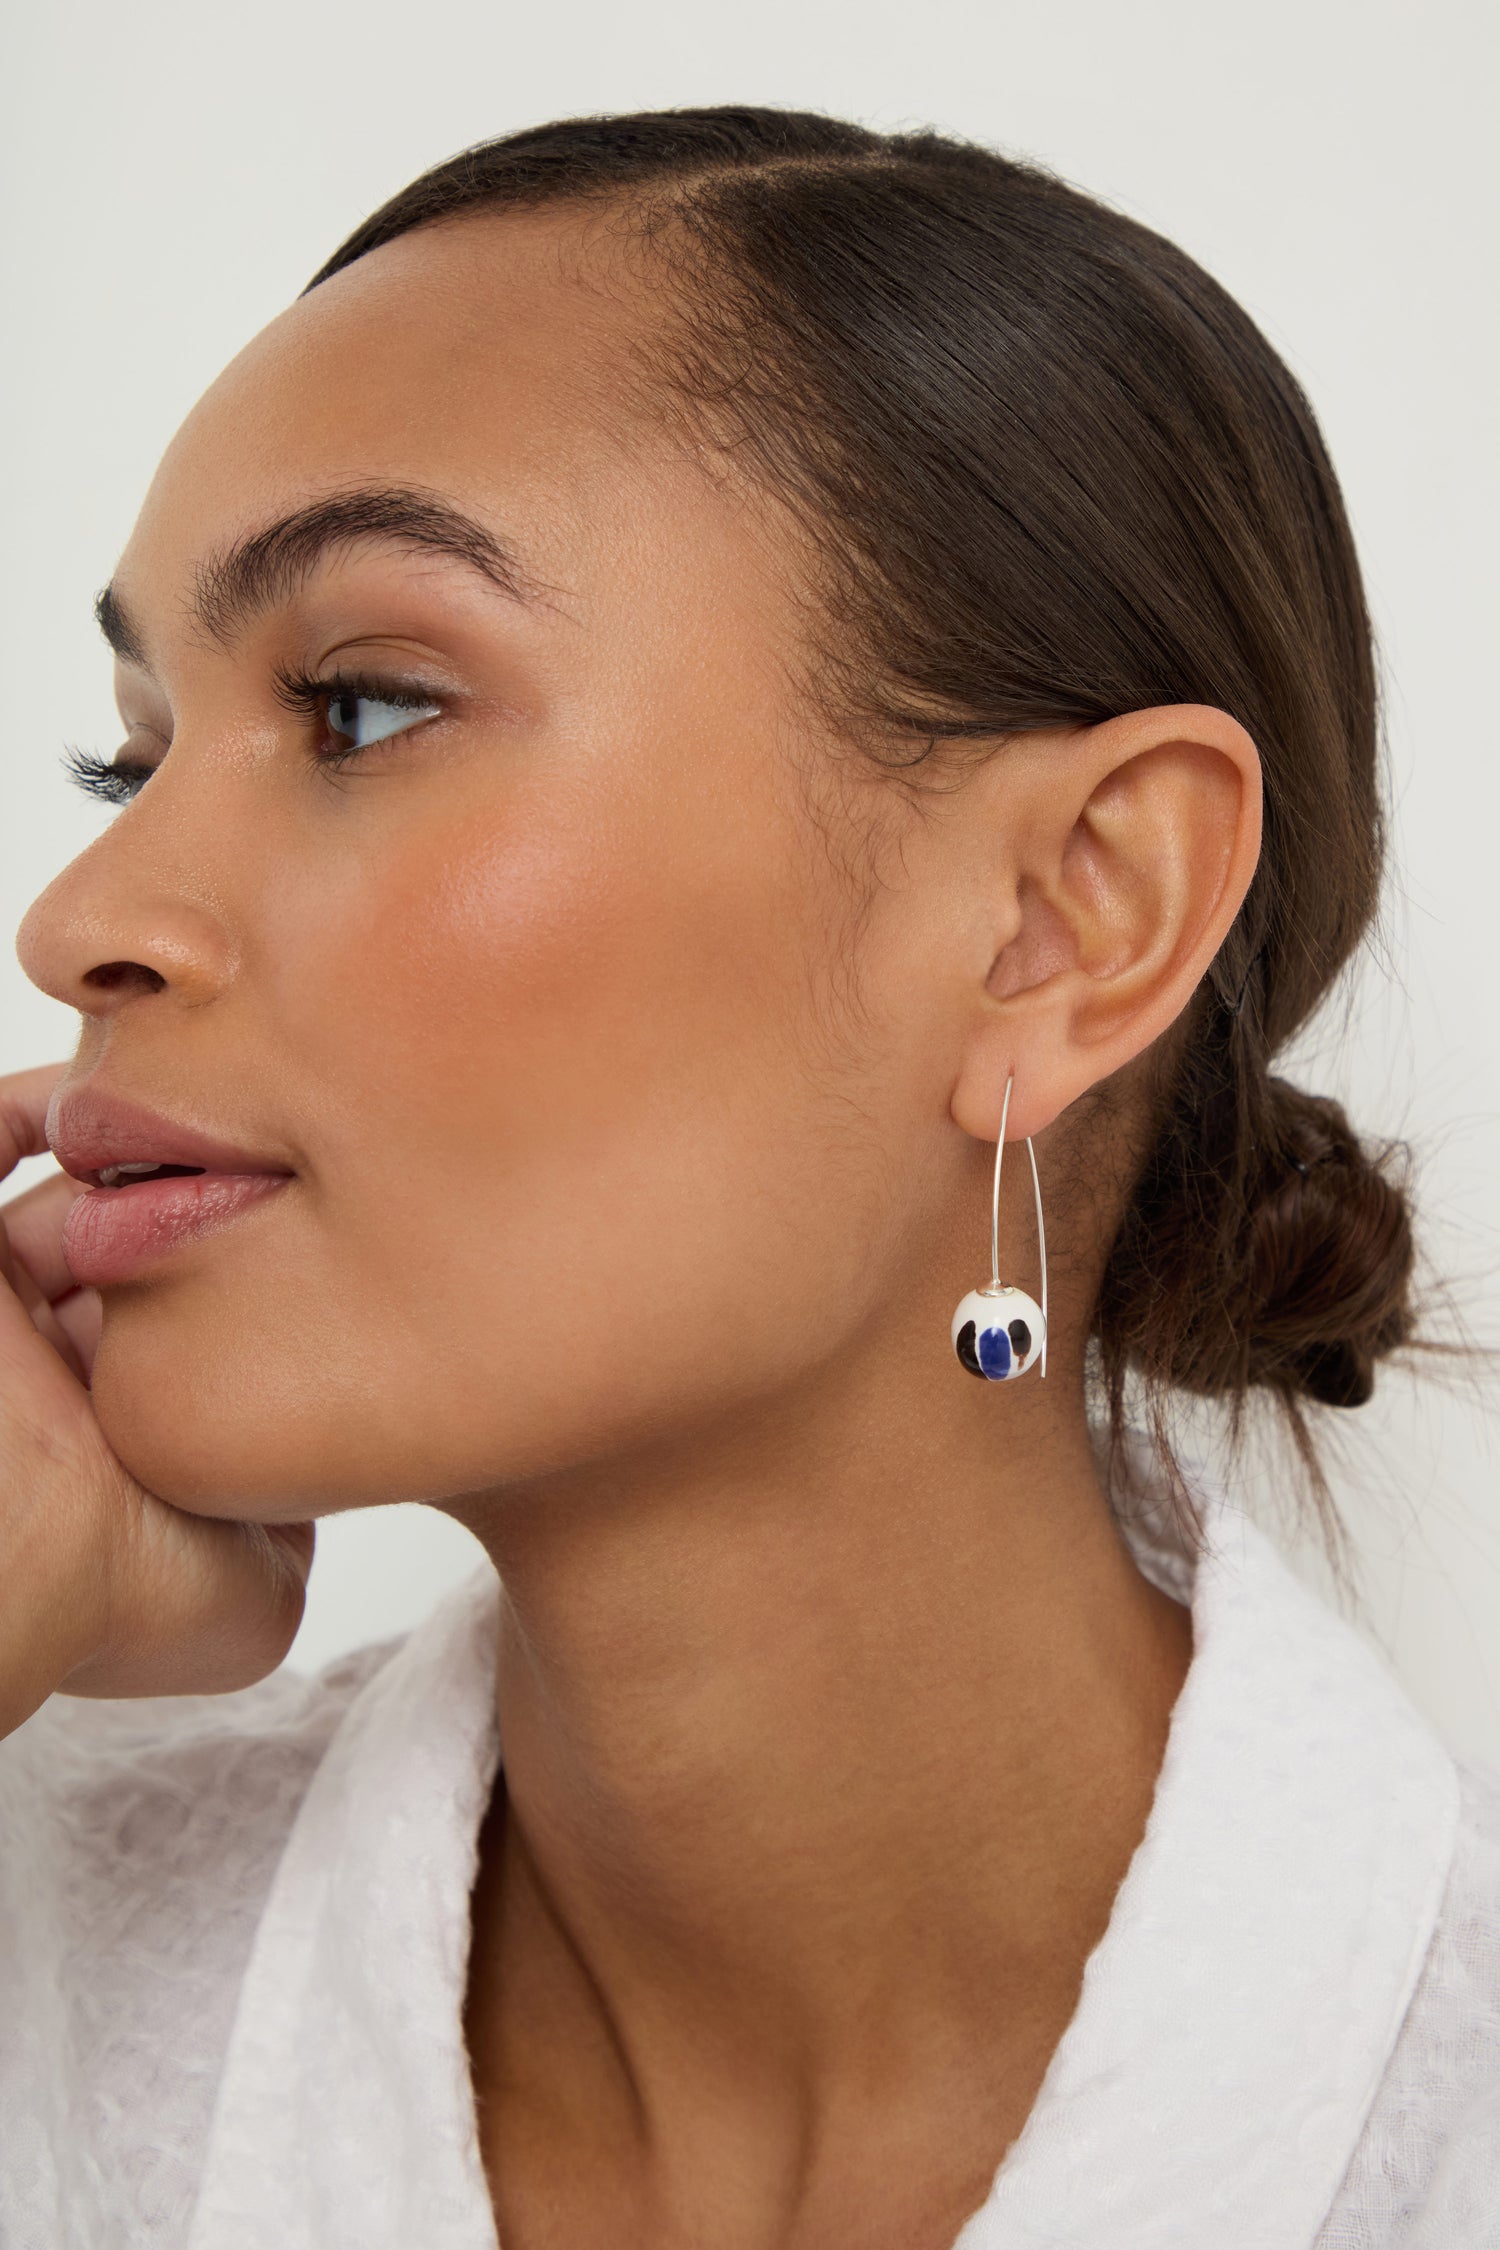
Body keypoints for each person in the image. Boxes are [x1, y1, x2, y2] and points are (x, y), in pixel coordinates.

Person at [0, 104, 1495, 2250]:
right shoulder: (46, 1958)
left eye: (359, 708)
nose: (83, 916)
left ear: (1067, 917)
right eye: (128, 752)